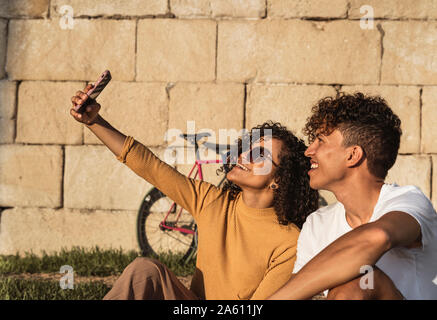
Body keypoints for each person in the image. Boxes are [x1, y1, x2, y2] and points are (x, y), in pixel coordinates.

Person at [69, 84, 319, 300]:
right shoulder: (213, 202)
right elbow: (150, 166)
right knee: (145, 270)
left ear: (280, 179)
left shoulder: (290, 243)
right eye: (249, 147)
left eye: (261, 155)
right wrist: (94, 121)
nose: (246, 155)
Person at [268, 92, 437, 300]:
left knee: (362, 278)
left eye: (320, 140)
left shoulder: (409, 201)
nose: (308, 151)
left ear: (353, 155)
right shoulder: (317, 223)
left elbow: (377, 237)